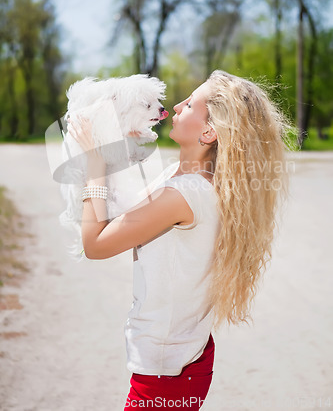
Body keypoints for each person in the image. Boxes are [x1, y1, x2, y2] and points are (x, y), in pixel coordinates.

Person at [67, 69, 294, 410]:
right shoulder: (185, 176)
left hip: (167, 372)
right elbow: (124, 219)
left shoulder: (182, 193)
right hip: (184, 358)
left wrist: (94, 163)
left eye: (189, 105)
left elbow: (96, 244)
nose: (174, 106)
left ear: (208, 131)